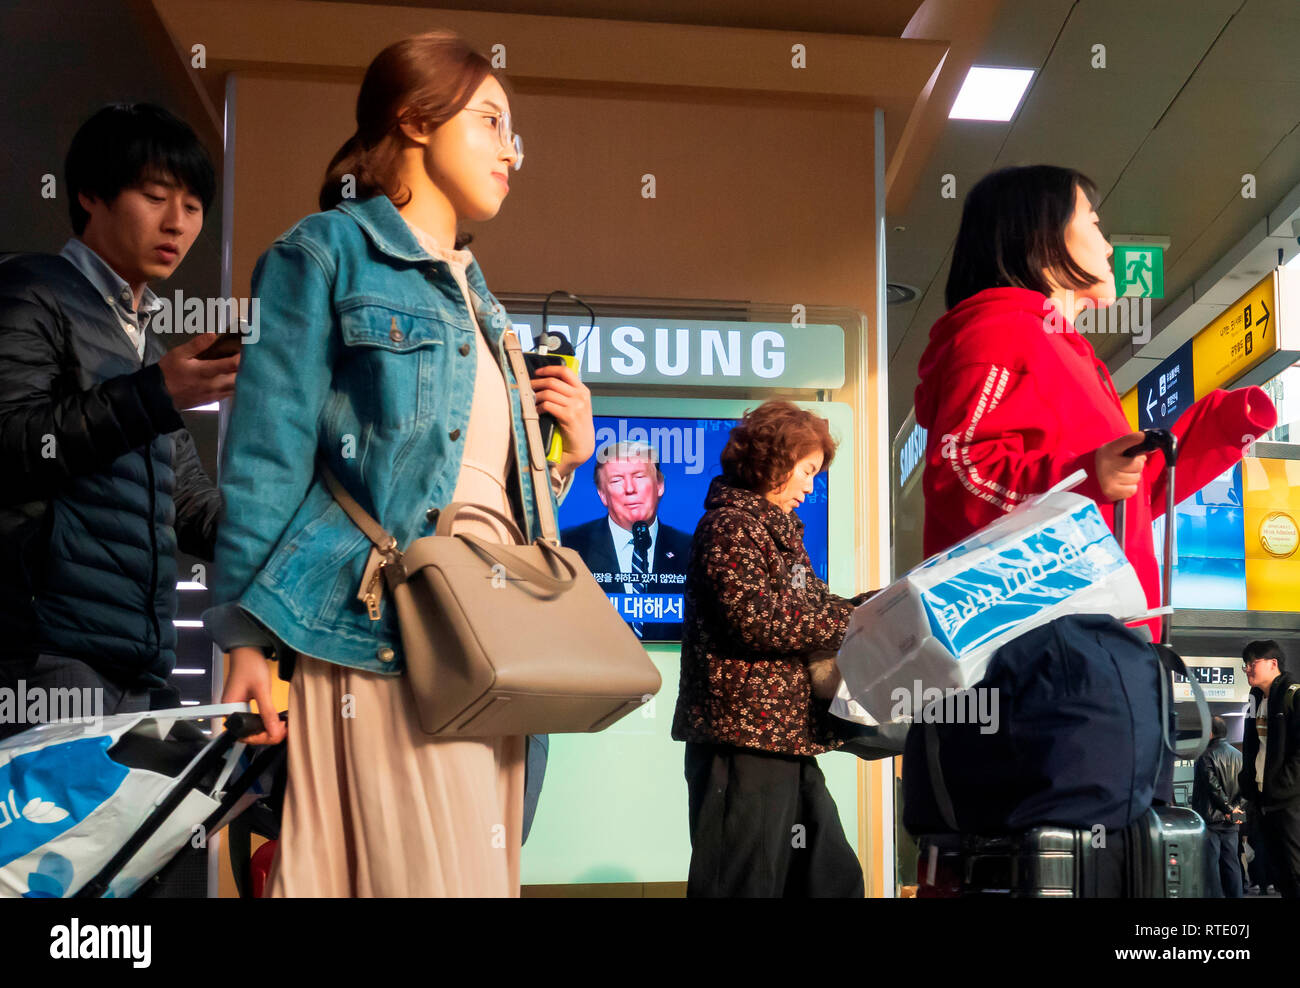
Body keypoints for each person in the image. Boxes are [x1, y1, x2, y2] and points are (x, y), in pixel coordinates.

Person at [204, 31, 594, 896]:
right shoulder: (320, 253)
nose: (510, 152)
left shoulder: (478, 294)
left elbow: (473, 484)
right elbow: (267, 451)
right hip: (383, 626)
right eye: (491, 121)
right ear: (416, 118)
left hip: (490, 643)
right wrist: (243, 644)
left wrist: (566, 458)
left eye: (513, 133)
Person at [914, 166, 1276, 648]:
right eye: (1094, 222)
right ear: (1043, 238)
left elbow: (1124, 494)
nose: (1108, 246)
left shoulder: (1065, 352)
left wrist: (1223, 426)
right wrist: (1087, 476)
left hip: (1090, 640)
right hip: (1045, 647)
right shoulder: (999, 331)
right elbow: (961, 467)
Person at [0, 103, 231, 737]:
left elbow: (190, 508)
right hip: (46, 656)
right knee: (59, 839)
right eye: (156, 196)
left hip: (140, 664)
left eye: (191, 205)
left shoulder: (147, 349)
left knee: (191, 814)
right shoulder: (30, 288)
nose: (177, 223)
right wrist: (156, 392)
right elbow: (14, 444)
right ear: (89, 196)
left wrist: (301, 512)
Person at [672, 400, 870, 897]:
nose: (811, 485)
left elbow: (814, 611)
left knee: (830, 877)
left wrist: (872, 608)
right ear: (774, 462)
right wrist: (851, 616)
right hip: (741, 739)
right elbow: (756, 620)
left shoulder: (778, 533)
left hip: (785, 737)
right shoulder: (728, 526)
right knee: (742, 884)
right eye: (807, 471)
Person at [560, 440, 693, 640]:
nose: (629, 488)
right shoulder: (569, 547)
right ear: (602, 495)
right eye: (616, 480)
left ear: (659, 485)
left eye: (639, 477)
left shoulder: (692, 550)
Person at [1238, 640, 1300, 898]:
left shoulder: (1293, 695)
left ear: (1273, 663)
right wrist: (1250, 787)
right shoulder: (1254, 698)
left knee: (1295, 871)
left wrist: (1283, 785)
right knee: (1280, 874)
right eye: (1246, 665)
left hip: (1289, 801)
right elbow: (1253, 746)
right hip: (1263, 800)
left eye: (1253, 663)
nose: (1248, 669)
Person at [1192, 715, 1245, 897]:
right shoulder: (1239, 756)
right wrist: (1235, 810)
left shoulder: (1205, 756)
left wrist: (1227, 809)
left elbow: (1212, 786)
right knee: (1232, 864)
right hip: (1232, 821)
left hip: (1211, 819)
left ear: (1210, 732)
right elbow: (1246, 788)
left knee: (1211, 866)